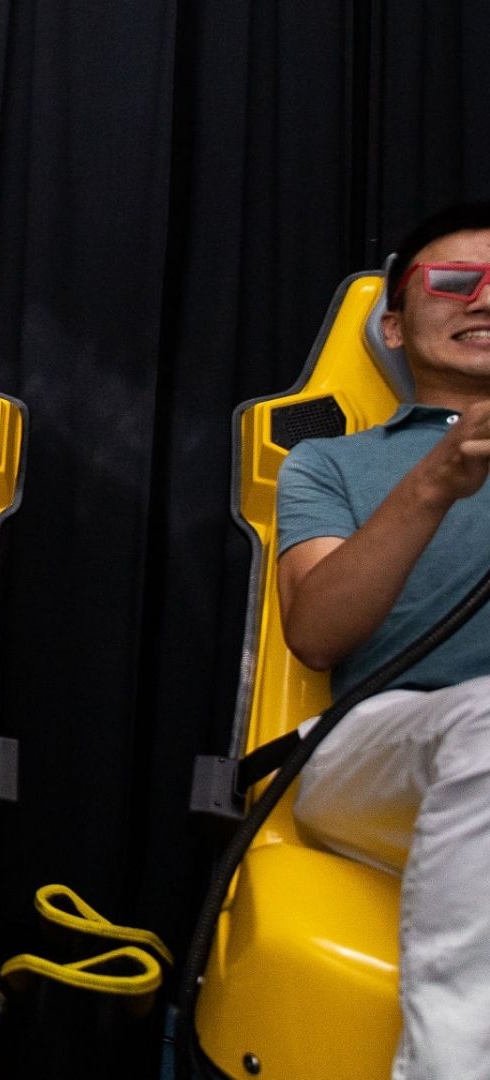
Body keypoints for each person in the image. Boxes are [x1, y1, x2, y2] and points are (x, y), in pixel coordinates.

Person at [270, 202, 490, 1080]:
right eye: (455, 280)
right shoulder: (330, 464)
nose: (484, 298)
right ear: (394, 325)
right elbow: (317, 634)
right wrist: (436, 481)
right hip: (378, 749)